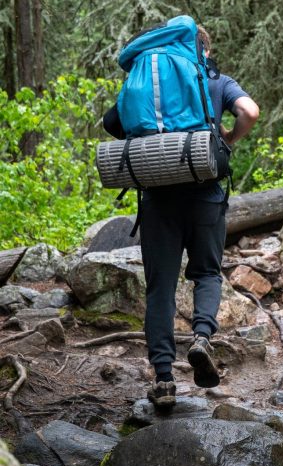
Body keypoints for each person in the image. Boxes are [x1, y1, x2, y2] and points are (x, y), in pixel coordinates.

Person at [103, 24, 259, 408]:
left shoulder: (142, 79)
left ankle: (163, 379)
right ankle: (202, 337)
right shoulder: (215, 80)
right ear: (201, 50)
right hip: (205, 193)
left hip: (158, 200)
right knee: (206, 272)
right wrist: (226, 139)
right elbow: (250, 112)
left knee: (161, 288)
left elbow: (111, 124)